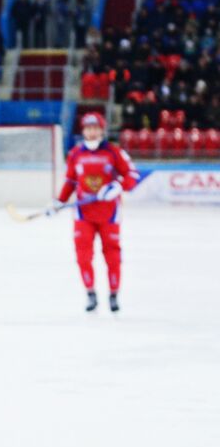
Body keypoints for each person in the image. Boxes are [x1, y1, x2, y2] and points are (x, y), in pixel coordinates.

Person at [47, 112, 140, 312]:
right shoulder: (75, 154)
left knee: (112, 256)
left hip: (109, 214)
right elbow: (70, 181)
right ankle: (90, 294)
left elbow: (132, 175)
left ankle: (114, 294)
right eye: (88, 128)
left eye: (95, 128)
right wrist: (59, 202)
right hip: (83, 214)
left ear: (102, 130)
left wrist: (117, 186)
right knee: (83, 256)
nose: (92, 132)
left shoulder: (114, 152)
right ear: (83, 130)